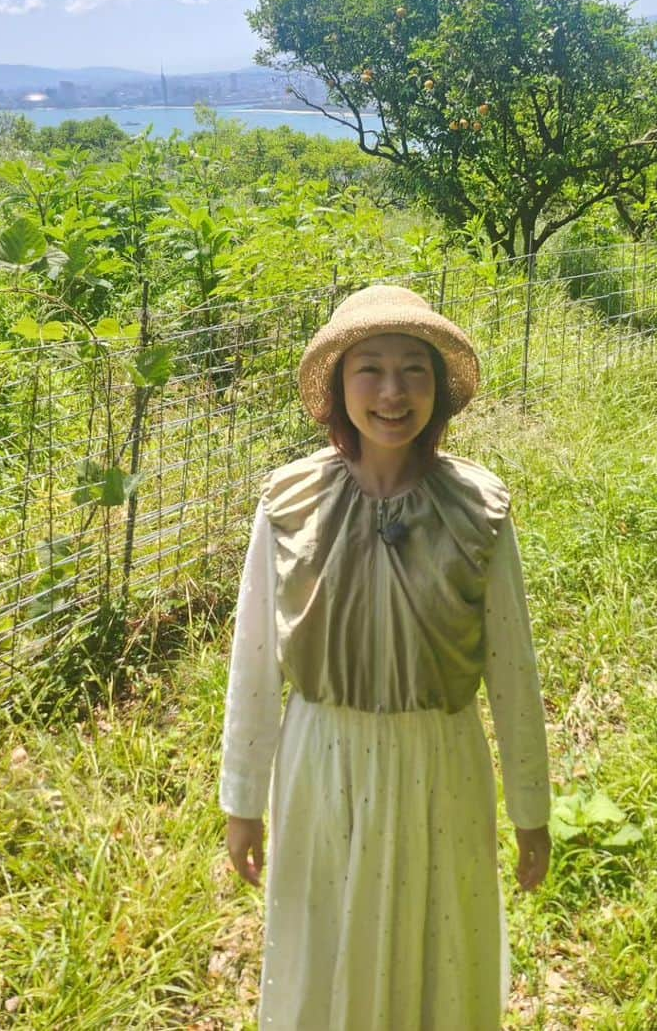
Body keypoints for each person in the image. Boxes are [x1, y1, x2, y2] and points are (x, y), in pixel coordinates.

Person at [219, 284, 552, 1031]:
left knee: (438, 939)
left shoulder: (478, 508)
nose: (393, 392)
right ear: (338, 387)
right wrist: (242, 802)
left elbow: (512, 666)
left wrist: (531, 809)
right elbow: (255, 659)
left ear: (440, 389)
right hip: (321, 763)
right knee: (326, 943)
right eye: (369, 369)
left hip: (440, 765)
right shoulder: (291, 502)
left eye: (415, 370)